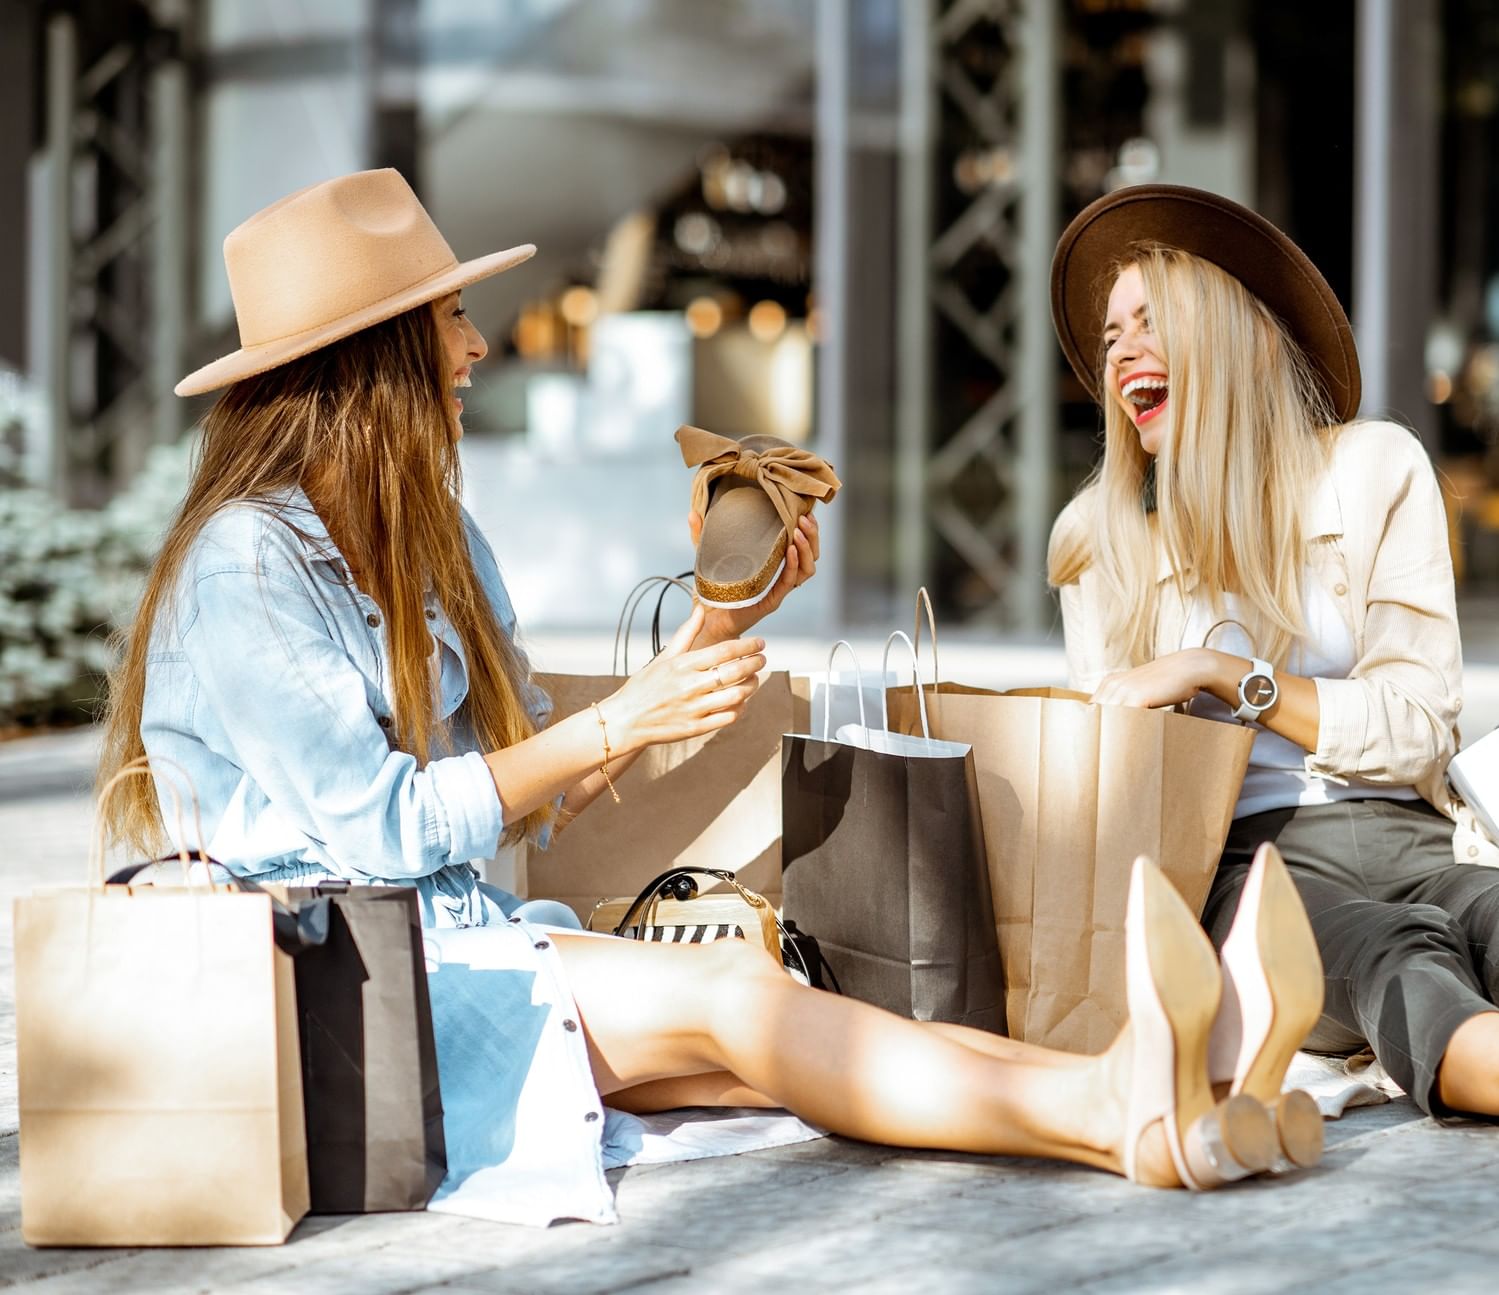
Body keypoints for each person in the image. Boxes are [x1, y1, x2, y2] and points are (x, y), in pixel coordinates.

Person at [98, 170, 1311, 1219]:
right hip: (332, 999)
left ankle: (1174, 1108)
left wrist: (718, 622)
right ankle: (1119, 1103)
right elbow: (384, 825)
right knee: (740, 1002)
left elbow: (530, 791)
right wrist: (621, 717)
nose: (476, 348)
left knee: (771, 1032)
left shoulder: (436, 539)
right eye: (454, 320)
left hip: (450, 952)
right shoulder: (245, 565)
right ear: (369, 362)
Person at [1048, 182, 1499, 1127]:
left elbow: (1418, 727)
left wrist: (1227, 679)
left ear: (1230, 333)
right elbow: (1110, 796)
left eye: (1147, 320)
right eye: (1108, 336)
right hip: (1245, 867)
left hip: (1416, 832)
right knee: (1395, 956)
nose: (1119, 349)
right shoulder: (1097, 538)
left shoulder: (1374, 467)